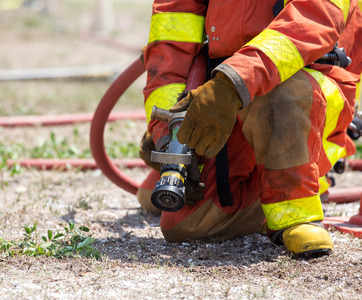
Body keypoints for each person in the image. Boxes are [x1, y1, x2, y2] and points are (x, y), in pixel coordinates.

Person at [138, 0, 362, 256]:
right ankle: (266, 187)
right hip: (227, 91)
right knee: (185, 224)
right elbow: (170, 48)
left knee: (280, 95)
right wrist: (168, 134)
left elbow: (311, 21)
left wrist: (233, 83)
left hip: (306, 88)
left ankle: (296, 213)